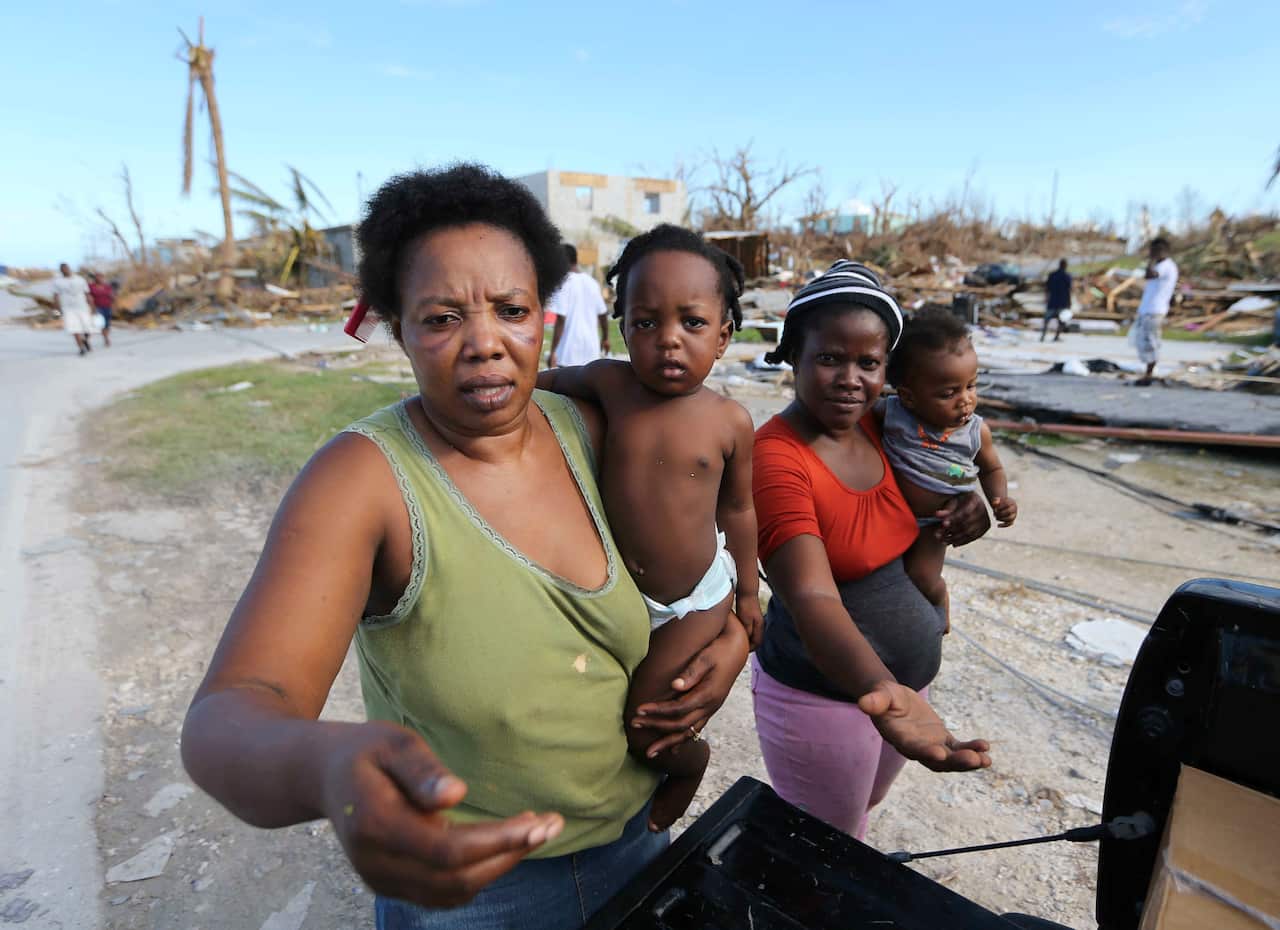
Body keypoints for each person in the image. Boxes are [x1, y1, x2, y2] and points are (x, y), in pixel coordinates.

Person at [180, 164, 749, 929]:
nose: (485, 344)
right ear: (396, 325)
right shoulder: (364, 480)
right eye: (443, 318)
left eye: (510, 310)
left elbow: (710, 540)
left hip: (639, 841)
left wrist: (741, 633)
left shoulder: (594, 428)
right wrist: (330, 769)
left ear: (541, 317)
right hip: (477, 896)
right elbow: (229, 716)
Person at [750, 260, 993, 842]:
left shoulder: (883, 427)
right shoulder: (777, 458)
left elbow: (948, 472)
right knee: (828, 847)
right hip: (826, 696)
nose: (850, 379)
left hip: (903, 686)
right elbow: (810, 595)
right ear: (793, 358)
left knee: (863, 807)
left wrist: (970, 507)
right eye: (829, 358)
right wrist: (885, 696)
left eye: (869, 362)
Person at [538, 224, 763, 833]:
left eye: (691, 323)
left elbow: (739, 511)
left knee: (650, 723)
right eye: (645, 322)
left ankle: (689, 766)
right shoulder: (611, 383)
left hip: (693, 602)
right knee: (590, 711)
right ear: (622, 327)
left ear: (723, 336)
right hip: (618, 598)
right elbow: (544, 382)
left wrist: (747, 596)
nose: (667, 340)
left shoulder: (730, 421)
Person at [880, 307, 1017, 618]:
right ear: (909, 396)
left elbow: (992, 468)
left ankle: (939, 599)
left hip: (936, 525)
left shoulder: (974, 431)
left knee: (922, 577)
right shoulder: (892, 414)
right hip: (889, 515)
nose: (965, 399)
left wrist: (1000, 499)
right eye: (948, 393)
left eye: (971, 385)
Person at [546, 243, 610, 368]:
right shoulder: (592, 283)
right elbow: (603, 314)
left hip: (568, 354)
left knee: (564, 388)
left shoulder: (564, 283)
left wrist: (553, 351)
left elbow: (560, 319)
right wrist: (605, 338)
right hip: (591, 354)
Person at [1132, 237, 1178, 386]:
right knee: (1143, 342)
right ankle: (1148, 373)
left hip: (1155, 310)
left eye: (1153, 250)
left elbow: (1149, 274)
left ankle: (1149, 375)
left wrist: (1151, 259)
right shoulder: (1162, 265)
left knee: (1151, 343)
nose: (1151, 253)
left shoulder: (1166, 266)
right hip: (1148, 310)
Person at [50, 263, 94, 355]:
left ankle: (85, 340)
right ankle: (81, 348)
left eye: (66, 268)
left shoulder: (80, 279)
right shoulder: (58, 282)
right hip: (68, 308)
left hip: (82, 306)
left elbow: (87, 293)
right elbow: (55, 297)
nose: (65, 270)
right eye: (62, 269)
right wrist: (56, 312)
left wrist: (92, 306)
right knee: (74, 328)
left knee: (88, 328)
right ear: (61, 270)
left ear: (69, 268)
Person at [1043, 259, 1071, 342]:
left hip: (1052, 300)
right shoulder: (1067, 276)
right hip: (1063, 301)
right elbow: (1069, 289)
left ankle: (1043, 335)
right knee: (1062, 319)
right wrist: (1069, 302)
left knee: (1047, 319)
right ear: (1065, 266)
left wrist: (1046, 298)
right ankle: (1056, 336)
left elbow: (1047, 288)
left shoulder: (1052, 275)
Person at [88, 272, 114, 348]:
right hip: (97, 307)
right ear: (94, 278)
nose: (99, 279)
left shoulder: (107, 286)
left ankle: (106, 338)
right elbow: (89, 297)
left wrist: (113, 303)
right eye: (97, 277)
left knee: (107, 324)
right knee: (98, 324)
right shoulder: (91, 286)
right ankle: (86, 340)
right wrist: (92, 307)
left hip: (107, 306)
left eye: (101, 277)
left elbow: (111, 296)